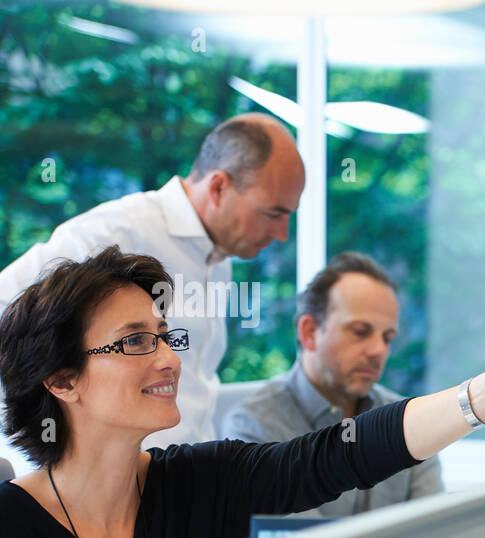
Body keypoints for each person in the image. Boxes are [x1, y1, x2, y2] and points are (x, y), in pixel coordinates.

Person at [0, 247, 485, 538]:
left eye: (164, 336)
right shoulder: (11, 529)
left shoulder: (205, 482)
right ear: (61, 379)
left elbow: (343, 455)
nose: (168, 359)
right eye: (135, 341)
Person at [0, 113, 306, 456]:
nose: (282, 234)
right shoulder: (113, 234)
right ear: (219, 187)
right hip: (110, 487)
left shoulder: (219, 259)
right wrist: (54, 451)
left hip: (178, 479)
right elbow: (6, 315)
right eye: (273, 214)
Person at [222, 251, 444, 516]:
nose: (378, 351)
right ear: (309, 332)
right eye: (360, 332)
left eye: (387, 337)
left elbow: (431, 536)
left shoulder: (410, 421)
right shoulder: (253, 429)